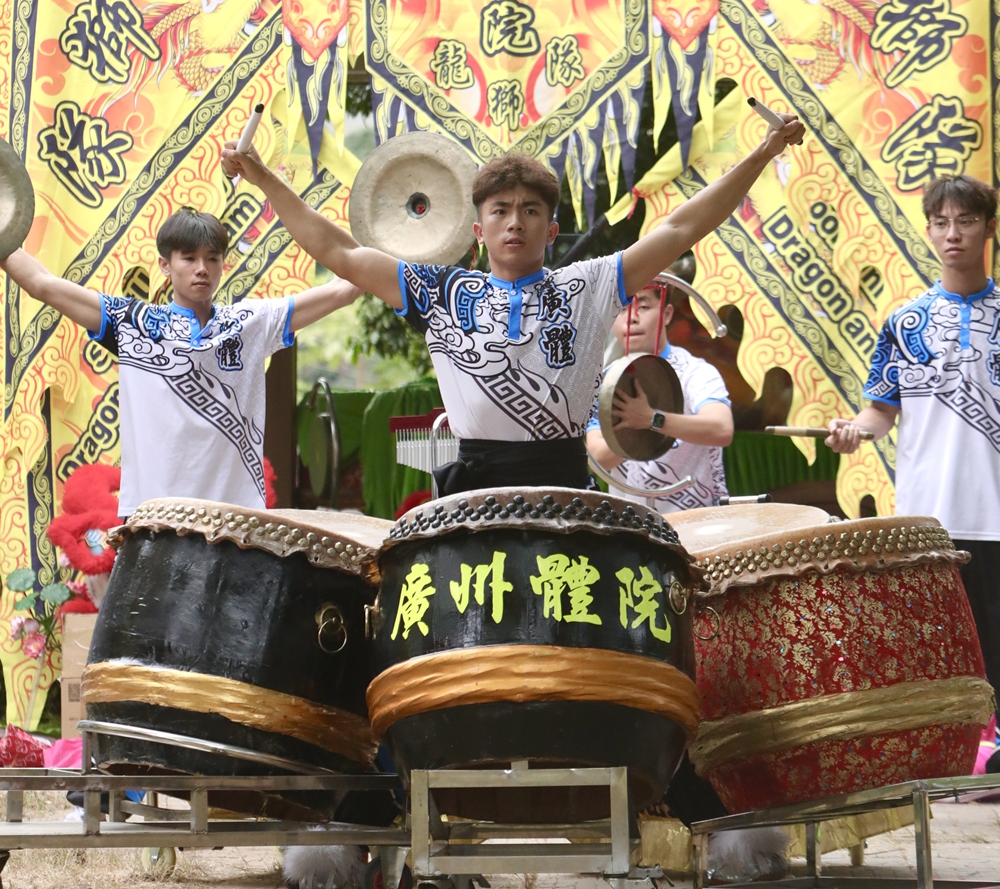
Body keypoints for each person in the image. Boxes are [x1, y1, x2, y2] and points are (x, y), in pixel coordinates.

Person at [222, 112, 803, 492]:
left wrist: (762, 153)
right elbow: (342, 251)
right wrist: (264, 178)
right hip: (470, 491)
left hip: (564, 486)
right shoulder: (438, 291)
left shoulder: (589, 283)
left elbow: (679, 229)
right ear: (478, 231)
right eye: (499, 211)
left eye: (530, 211)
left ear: (552, 230)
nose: (514, 223)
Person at [1, 209, 360, 516]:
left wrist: (397, 237)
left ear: (223, 264)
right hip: (153, 520)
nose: (201, 269)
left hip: (233, 523)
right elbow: (40, 284)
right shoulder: (133, 323)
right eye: (188, 258)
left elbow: (344, 288)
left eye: (212, 258)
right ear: (165, 265)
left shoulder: (252, 322)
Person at [826, 174, 1000, 705]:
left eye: (967, 221)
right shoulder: (904, 322)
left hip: (996, 517)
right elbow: (881, 410)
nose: (954, 234)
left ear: (989, 228)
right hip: (931, 521)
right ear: (928, 230)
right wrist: (855, 431)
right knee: (943, 655)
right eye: (942, 222)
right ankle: (958, 770)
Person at [586, 276, 733, 510]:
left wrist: (652, 419)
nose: (631, 317)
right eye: (621, 309)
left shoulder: (695, 372)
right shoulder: (602, 382)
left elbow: (721, 430)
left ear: (667, 314)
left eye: (643, 307)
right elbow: (600, 458)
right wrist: (633, 426)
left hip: (697, 521)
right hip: (633, 528)